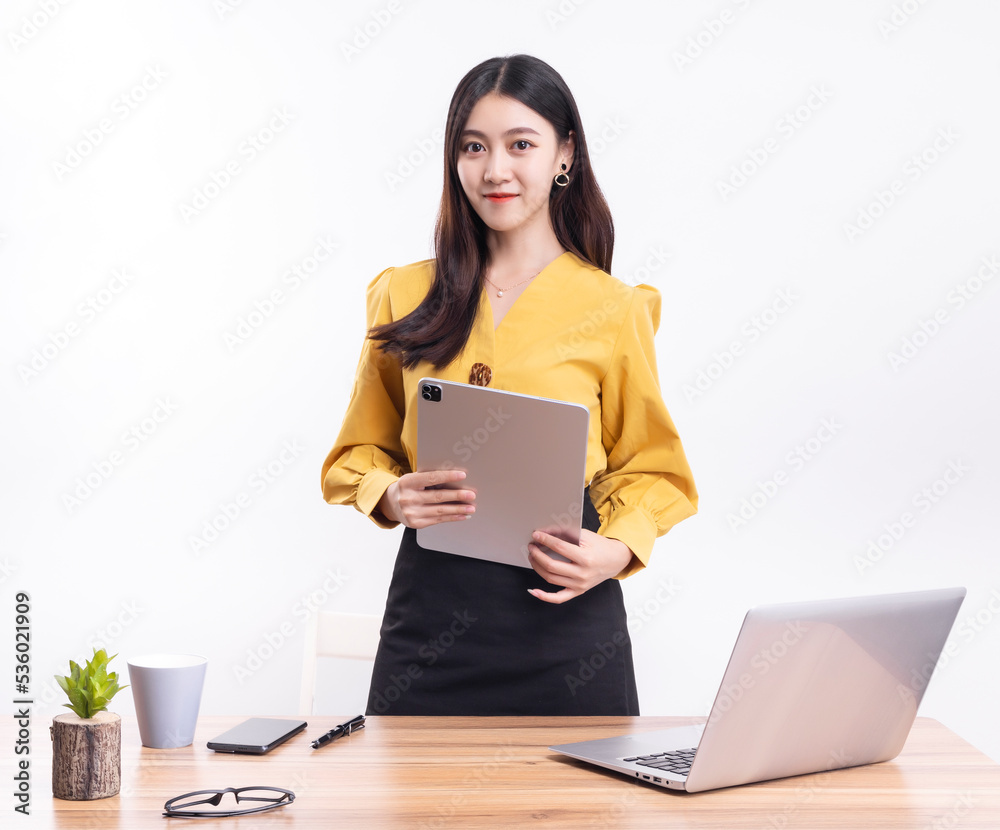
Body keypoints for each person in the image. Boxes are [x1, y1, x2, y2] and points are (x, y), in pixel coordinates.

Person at [321, 54, 697, 716]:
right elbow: (357, 454)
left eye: (520, 144)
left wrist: (615, 551)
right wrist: (391, 496)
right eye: (473, 147)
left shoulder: (615, 308)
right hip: (428, 633)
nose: (495, 170)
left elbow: (653, 473)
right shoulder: (402, 294)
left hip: (568, 635)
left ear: (564, 155)